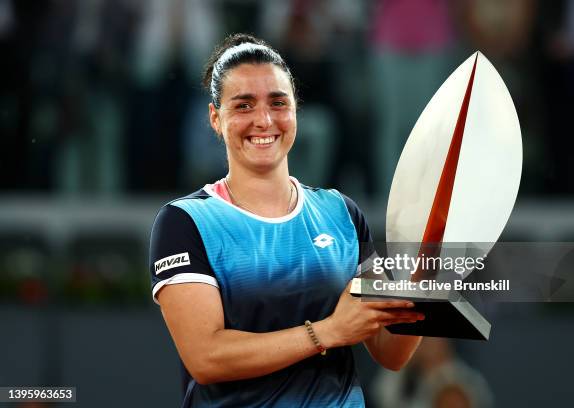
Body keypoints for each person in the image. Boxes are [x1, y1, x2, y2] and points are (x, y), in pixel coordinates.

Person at [148, 33, 424, 407]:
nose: (264, 120)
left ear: (296, 109)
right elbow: (206, 357)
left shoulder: (341, 213)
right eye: (243, 105)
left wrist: (425, 281)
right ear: (215, 118)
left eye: (278, 102)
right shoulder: (186, 222)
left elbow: (391, 353)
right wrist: (328, 332)